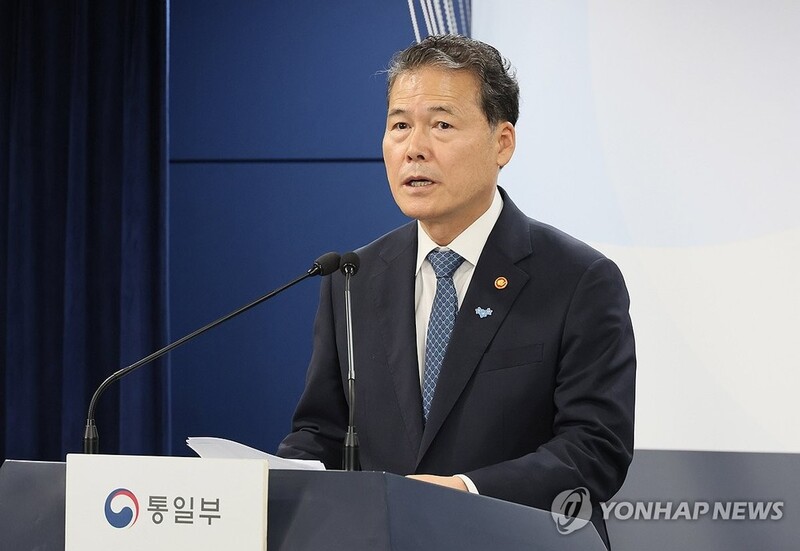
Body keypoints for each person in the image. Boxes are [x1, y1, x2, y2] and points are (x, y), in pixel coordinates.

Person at [278, 35, 635, 547]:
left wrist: (465, 490)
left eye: (442, 125)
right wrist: (274, 485)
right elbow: (321, 431)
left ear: (502, 143)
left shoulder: (580, 278)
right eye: (400, 125)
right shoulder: (352, 277)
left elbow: (595, 448)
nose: (414, 148)